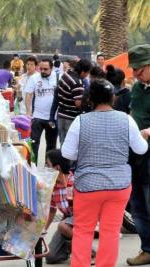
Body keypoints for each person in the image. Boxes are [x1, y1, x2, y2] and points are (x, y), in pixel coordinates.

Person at [62, 79, 148, 267]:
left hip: (87, 186)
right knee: (111, 231)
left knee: (83, 230)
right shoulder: (127, 120)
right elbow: (141, 149)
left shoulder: (80, 121)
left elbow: (67, 153)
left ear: (90, 98)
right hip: (119, 185)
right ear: (113, 97)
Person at [126, 44, 150, 266]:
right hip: (135, 159)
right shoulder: (136, 89)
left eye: (139, 69)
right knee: (138, 208)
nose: (134, 74)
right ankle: (147, 249)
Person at [50, 59, 92, 144]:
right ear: (83, 71)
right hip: (70, 118)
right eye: (87, 73)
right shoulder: (77, 82)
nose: (87, 75)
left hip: (61, 116)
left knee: (63, 144)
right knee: (71, 146)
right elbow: (78, 103)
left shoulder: (66, 74)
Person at [25, 58, 58, 162]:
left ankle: (49, 168)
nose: (42, 71)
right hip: (37, 117)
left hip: (52, 118)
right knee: (34, 143)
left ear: (51, 69)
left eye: (45, 69)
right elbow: (28, 94)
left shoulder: (57, 78)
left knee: (51, 145)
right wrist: (28, 112)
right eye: (41, 69)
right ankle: (33, 167)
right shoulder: (34, 78)